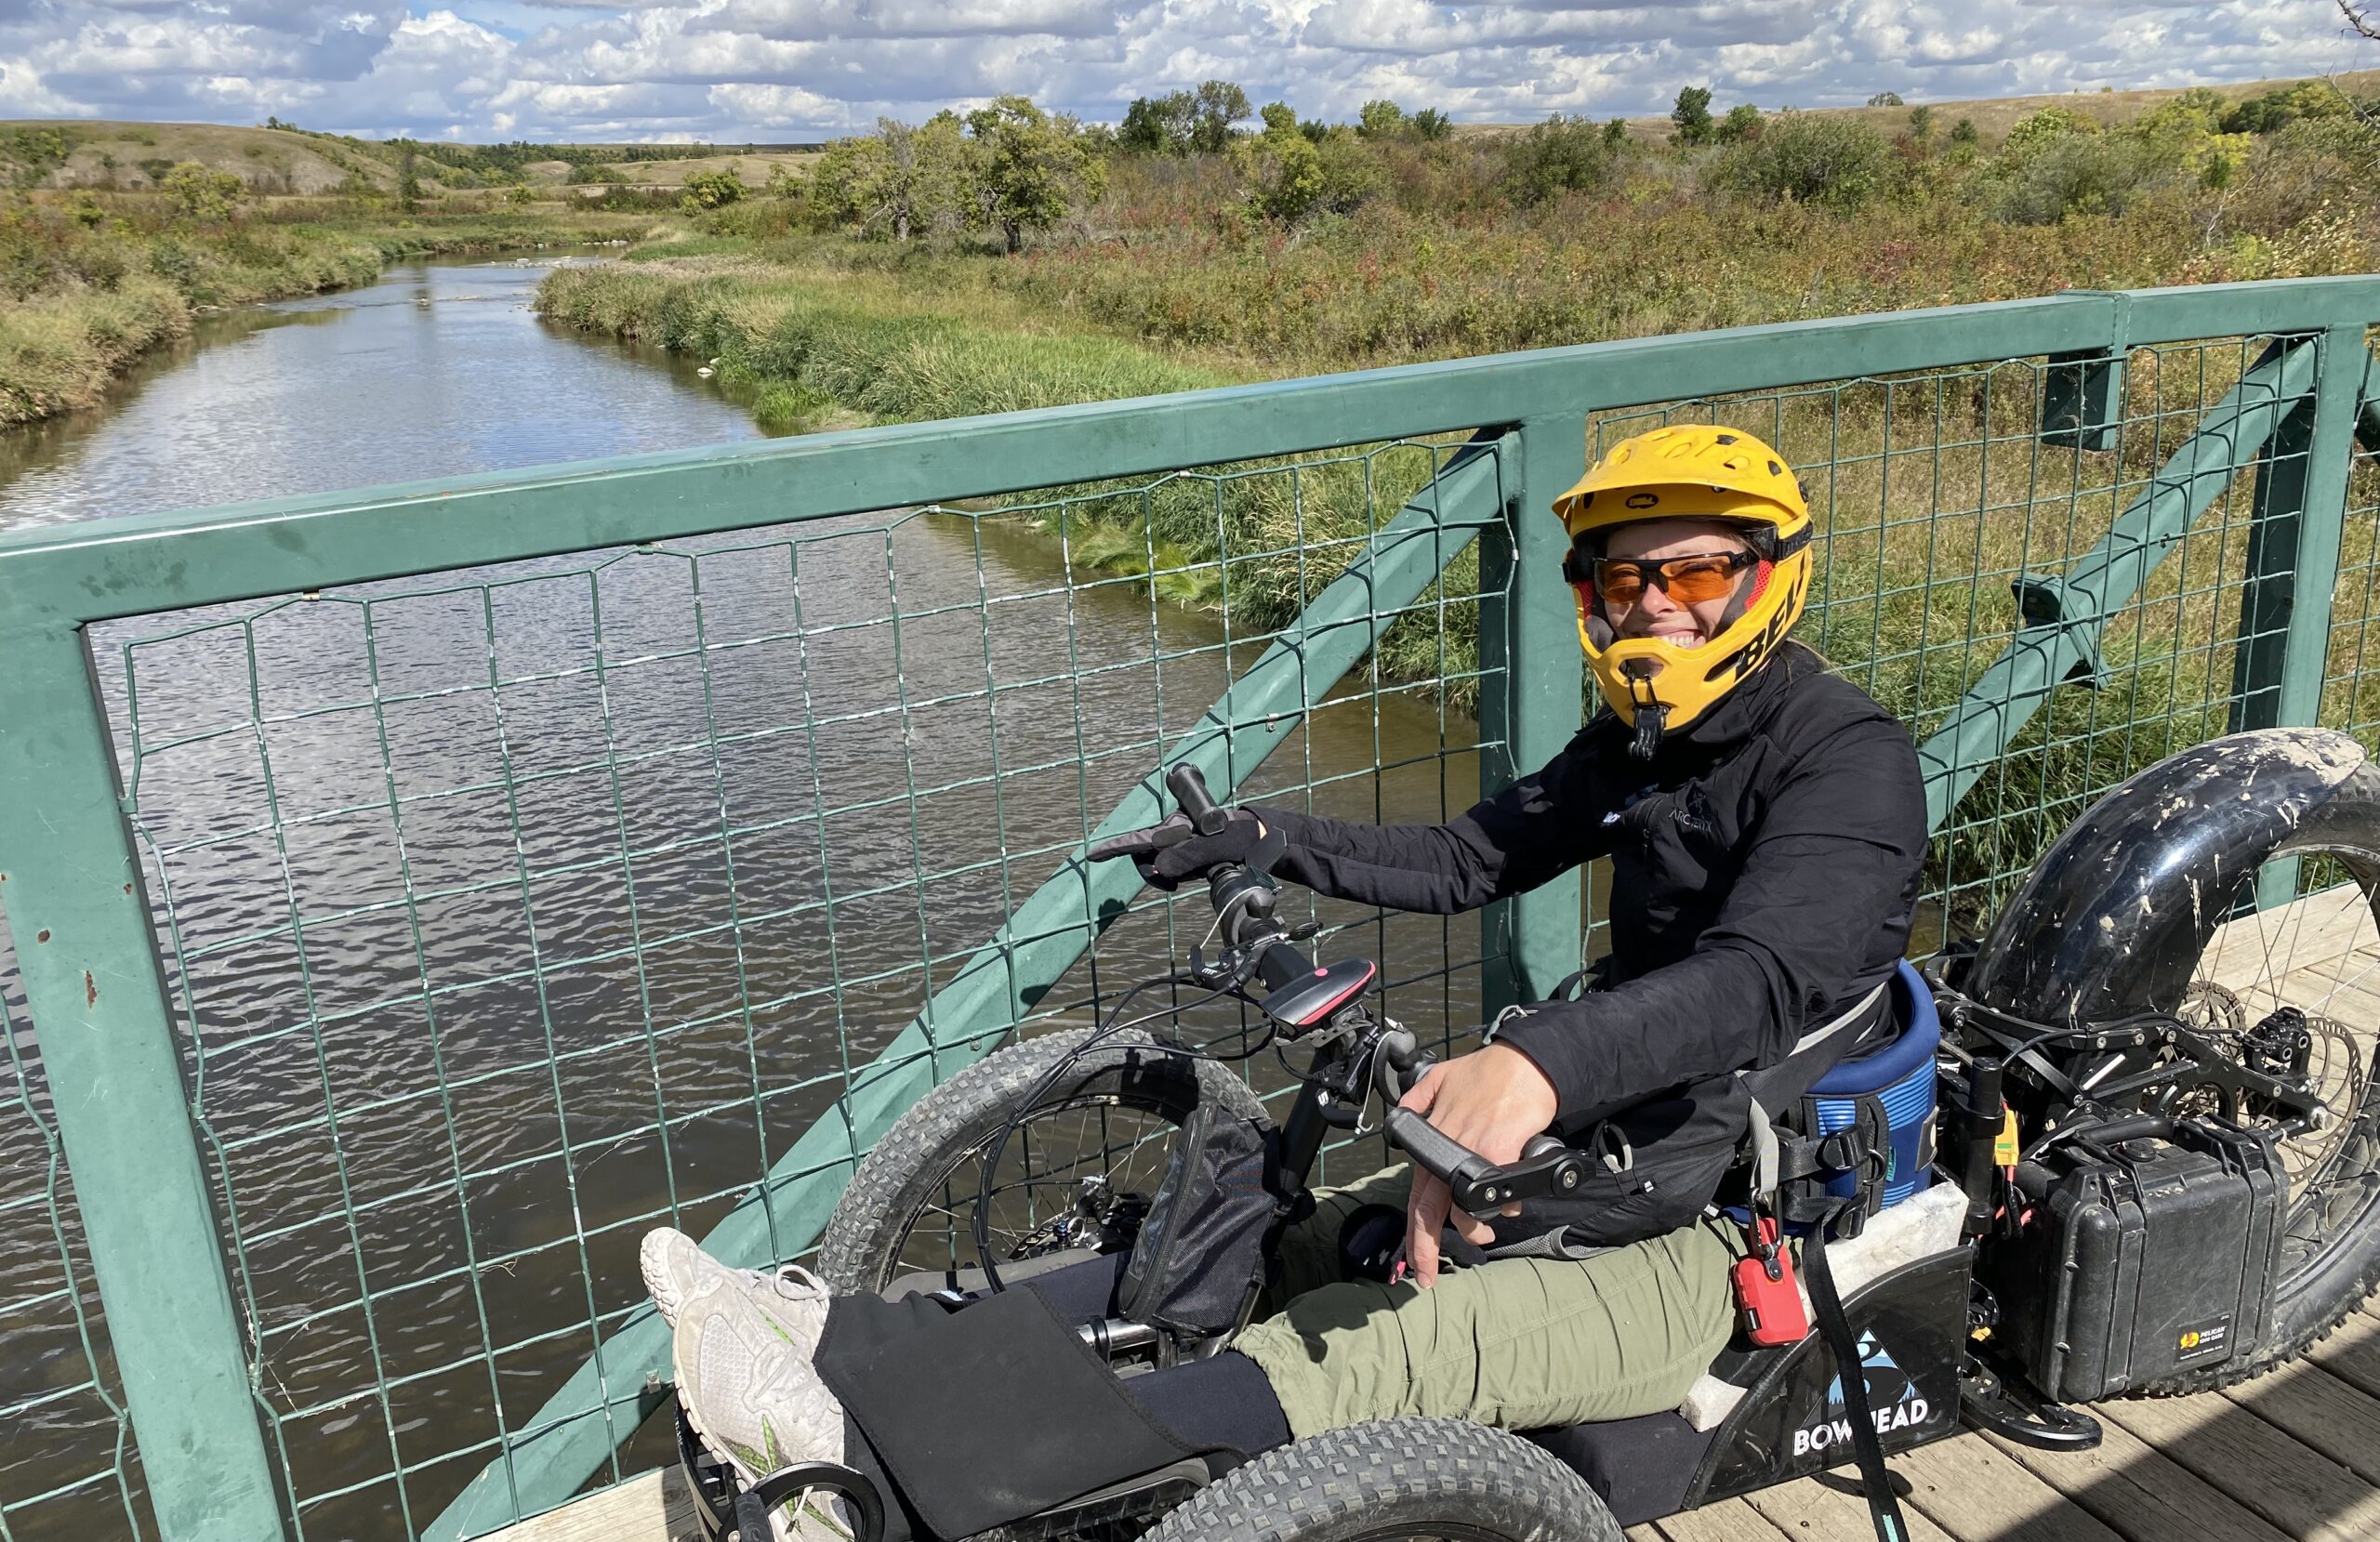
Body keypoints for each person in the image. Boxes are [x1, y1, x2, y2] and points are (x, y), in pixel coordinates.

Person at [640, 424, 1929, 1534]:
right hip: (1617, 1153)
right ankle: (836, 1351)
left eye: (1695, 572)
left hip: (1725, 1237)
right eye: (1620, 577)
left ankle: (859, 1487)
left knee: (1380, 1346)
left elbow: (1764, 979)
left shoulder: (1849, 762)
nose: (1654, 605)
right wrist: (1273, 839)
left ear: (1770, 577)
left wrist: (1540, 1064)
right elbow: (1479, 851)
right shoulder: (1646, 744)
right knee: (1275, 1240)